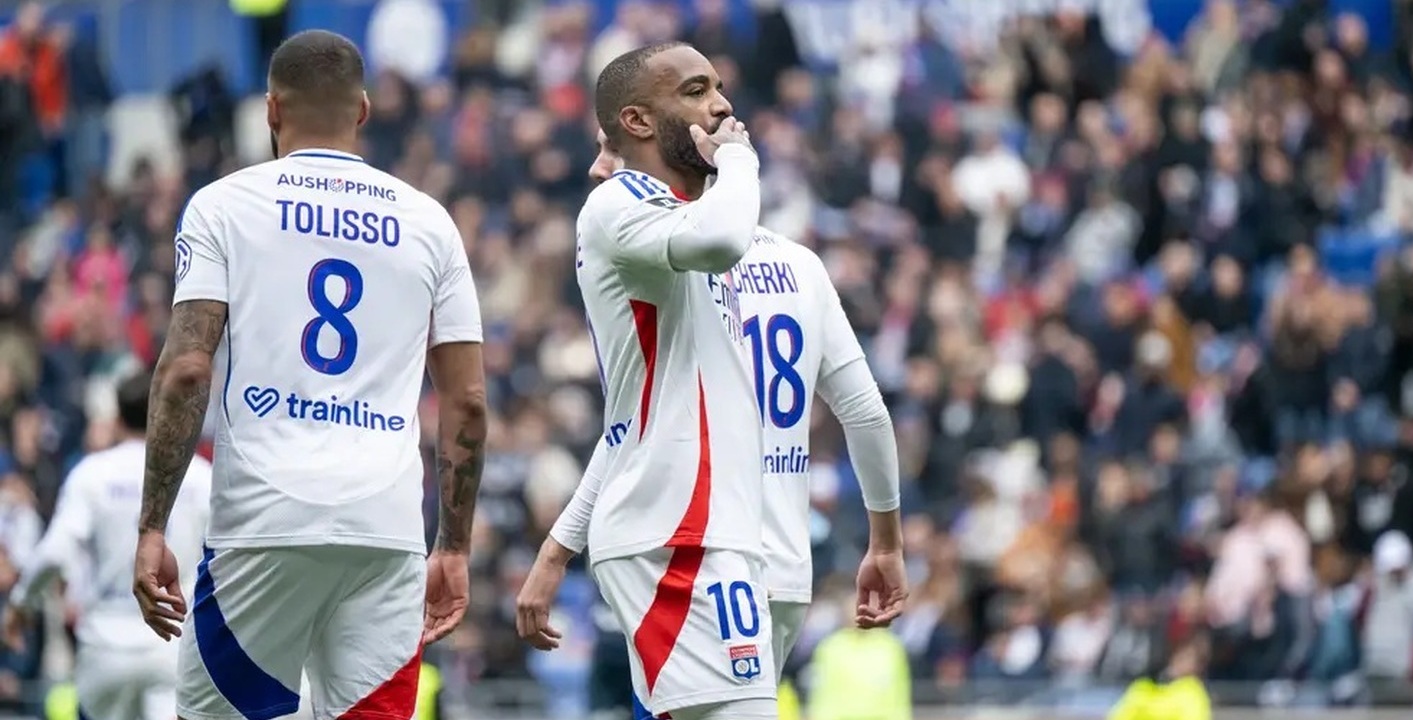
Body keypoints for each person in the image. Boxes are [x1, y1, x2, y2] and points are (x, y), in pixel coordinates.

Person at [130, 30, 488, 720]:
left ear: (270, 110)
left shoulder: (224, 206)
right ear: (363, 111)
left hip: (262, 520)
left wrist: (153, 526)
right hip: (384, 530)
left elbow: (184, 370)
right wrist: (454, 544)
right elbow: (466, 402)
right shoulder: (429, 224)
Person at [518, 127, 909, 718]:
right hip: (783, 568)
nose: (600, 170)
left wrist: (556, 551)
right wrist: (886, 540)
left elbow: (635, 426)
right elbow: (867, 413)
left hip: (702, 556)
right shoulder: (801, 266)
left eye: (611, 151)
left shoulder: (677, 267)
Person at [519, 42, 771, 720]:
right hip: (681, 536)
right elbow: (723, 240)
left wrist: (555, 551)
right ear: (635, 121)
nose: (720, 106)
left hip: (692, 528)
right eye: (694, 91)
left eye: (719, 87)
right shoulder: (622, 203)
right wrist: (739, 157)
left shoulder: (677, 226)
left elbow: (630, 421)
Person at [2, 371, 211, 720]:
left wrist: (20, 606)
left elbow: (54, 554)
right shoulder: (200, 474)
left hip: (105, 646)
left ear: (115, 419)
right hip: (173, 646)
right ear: (169, 413)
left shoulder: (92, 474)